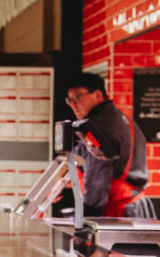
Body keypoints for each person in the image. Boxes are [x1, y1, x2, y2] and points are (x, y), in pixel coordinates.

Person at [66, 72, 153, 218]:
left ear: (98, 95)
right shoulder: (120, 118)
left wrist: (87, 219)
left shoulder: (97, 127)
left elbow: (97, 177)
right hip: (136, 207)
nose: (73, 104)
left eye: (78, 97)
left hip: (118, 212)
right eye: (69, 100)